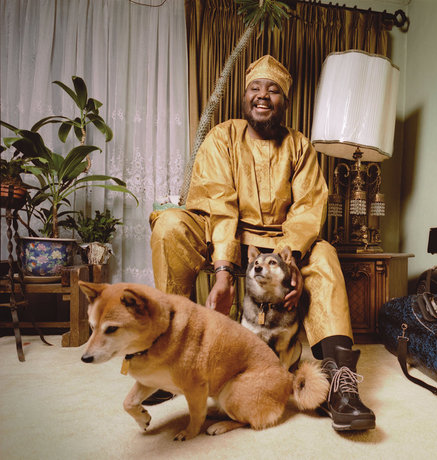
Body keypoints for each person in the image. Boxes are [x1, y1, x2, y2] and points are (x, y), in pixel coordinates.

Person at [149, 55, 375, 431]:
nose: (263, 96)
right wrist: (224, 271)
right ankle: (167, 355)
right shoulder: (222, 136)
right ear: (244, 96)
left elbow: (307, 209)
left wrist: (291, 262)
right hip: (223, 234)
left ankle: (339, 382)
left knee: (325, 253)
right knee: (169, 225)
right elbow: (220, 204)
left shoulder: (299, 146)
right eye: (255, 88)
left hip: (281, 244)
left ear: (284, 101)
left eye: (273, 90)